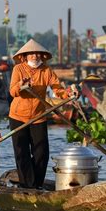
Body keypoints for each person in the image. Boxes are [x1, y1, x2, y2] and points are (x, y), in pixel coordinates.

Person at [9, 39, 70, 189]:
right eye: (32, 53)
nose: (35, 56)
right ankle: (27, 185)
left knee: (42, 152)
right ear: (25, 55)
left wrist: (69, 94)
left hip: (38, 117)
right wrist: (21, 85)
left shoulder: (46, 71)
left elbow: (58, 88)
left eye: (37, 53)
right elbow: (12, 91)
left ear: (42, 56)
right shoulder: (18, 69)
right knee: (21, 152)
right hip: (18, 116)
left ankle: (36, 184)